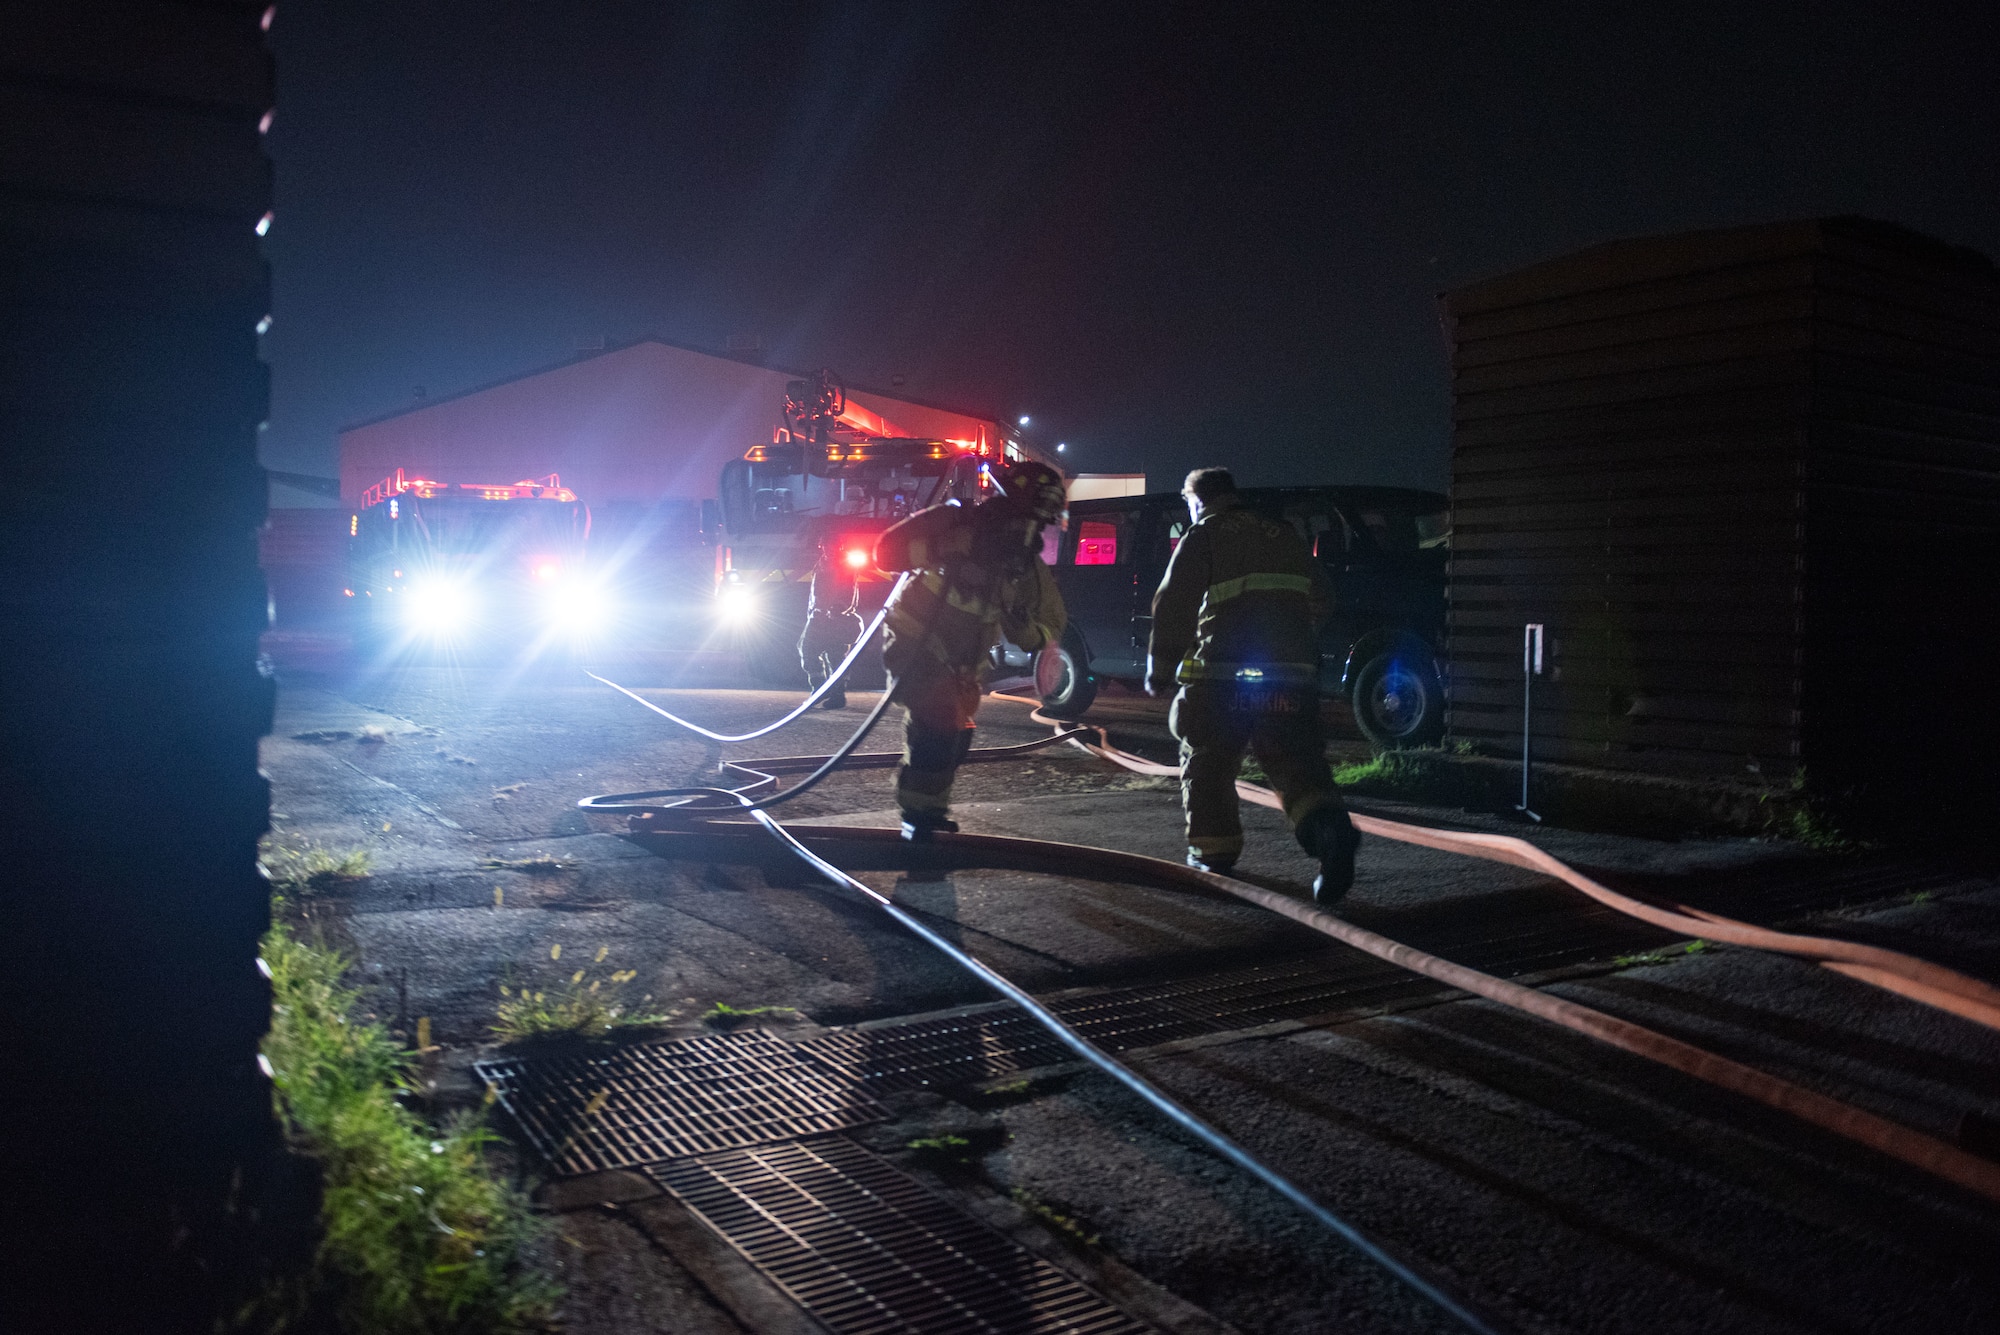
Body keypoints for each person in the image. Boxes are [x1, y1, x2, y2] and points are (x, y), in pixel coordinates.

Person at [1145, 467, 1360, 902]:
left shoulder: (1204, 534)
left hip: (1221, 679)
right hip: (1291, 679)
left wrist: (1160, 667)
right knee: (1297, 764)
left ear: (1197, 500)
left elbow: (1175, 604)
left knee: (1208, 762)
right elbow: (1323, 598)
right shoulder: (1284, 535)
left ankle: (1213, 855)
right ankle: (1330, 833)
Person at [874, 459, 1069, 841]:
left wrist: (1035, 636)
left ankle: (926, 808)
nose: (1028, 531)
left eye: (1038, 522)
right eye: (1026, 517)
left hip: (964, 662)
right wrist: (942, 546)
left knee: (955, 736)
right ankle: (920, 818)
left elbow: (1047, 622)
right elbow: (885, 553)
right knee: (940, 721)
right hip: (916, 639)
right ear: (1004, 501)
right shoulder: (952, 520)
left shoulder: (1022, 563)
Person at [798, 537, 864, 709]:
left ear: (839, 546)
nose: (829, 549)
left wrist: (837, 610)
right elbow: (816, 593)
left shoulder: (844, 565)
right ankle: (822, 688)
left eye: (832, 545)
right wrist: (813, 613)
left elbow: (850, 590)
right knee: (808, 650)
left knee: (835, 657)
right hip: (818, 617)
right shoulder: (821, 563)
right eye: (826, 545)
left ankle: (835, 695)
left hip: (835, 618)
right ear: (822, 546)